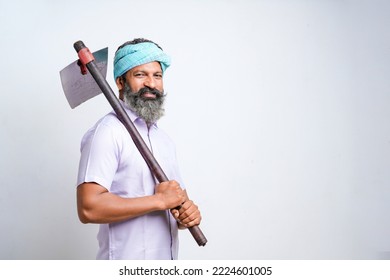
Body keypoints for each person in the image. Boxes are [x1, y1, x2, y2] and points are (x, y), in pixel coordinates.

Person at [76, 38, 202, 260]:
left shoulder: (164, 140)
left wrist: (185, 216)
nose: (151, 84)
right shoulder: (108, 133)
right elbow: (89, 207)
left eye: (157, 75)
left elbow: (174, 200)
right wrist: (158, 201)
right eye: (140, 75)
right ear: (120, 82)